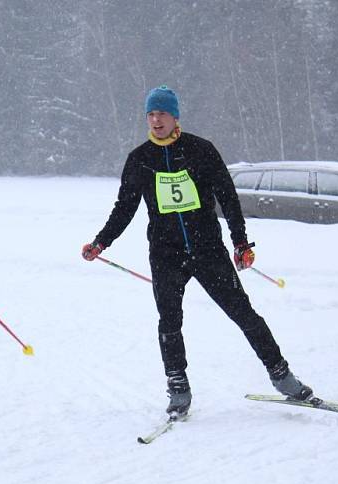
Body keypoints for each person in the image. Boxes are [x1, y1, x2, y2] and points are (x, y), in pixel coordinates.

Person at [81, 85, 316, 419]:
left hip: (207, 249)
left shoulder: (200, 150)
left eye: (161, 113)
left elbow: (228, 197)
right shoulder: (139, 160)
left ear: (175, 116)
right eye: (150, 114)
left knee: (243, 313)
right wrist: (101, 242)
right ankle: (178, 389)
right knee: (169, 322)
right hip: (165, 253)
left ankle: (282, 376)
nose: (155, 120)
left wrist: (241, 242)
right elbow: (124, 208)